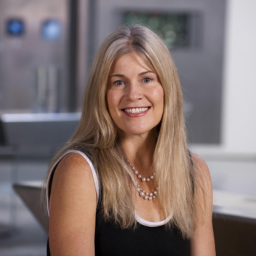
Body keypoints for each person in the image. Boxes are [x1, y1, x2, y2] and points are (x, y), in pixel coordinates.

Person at [44, 24, 216, 256]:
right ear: (102, 95)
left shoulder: (196, 171)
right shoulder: (79, 170)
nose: (133, 94)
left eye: (146, 79)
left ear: (167, 88)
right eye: (118, 82)